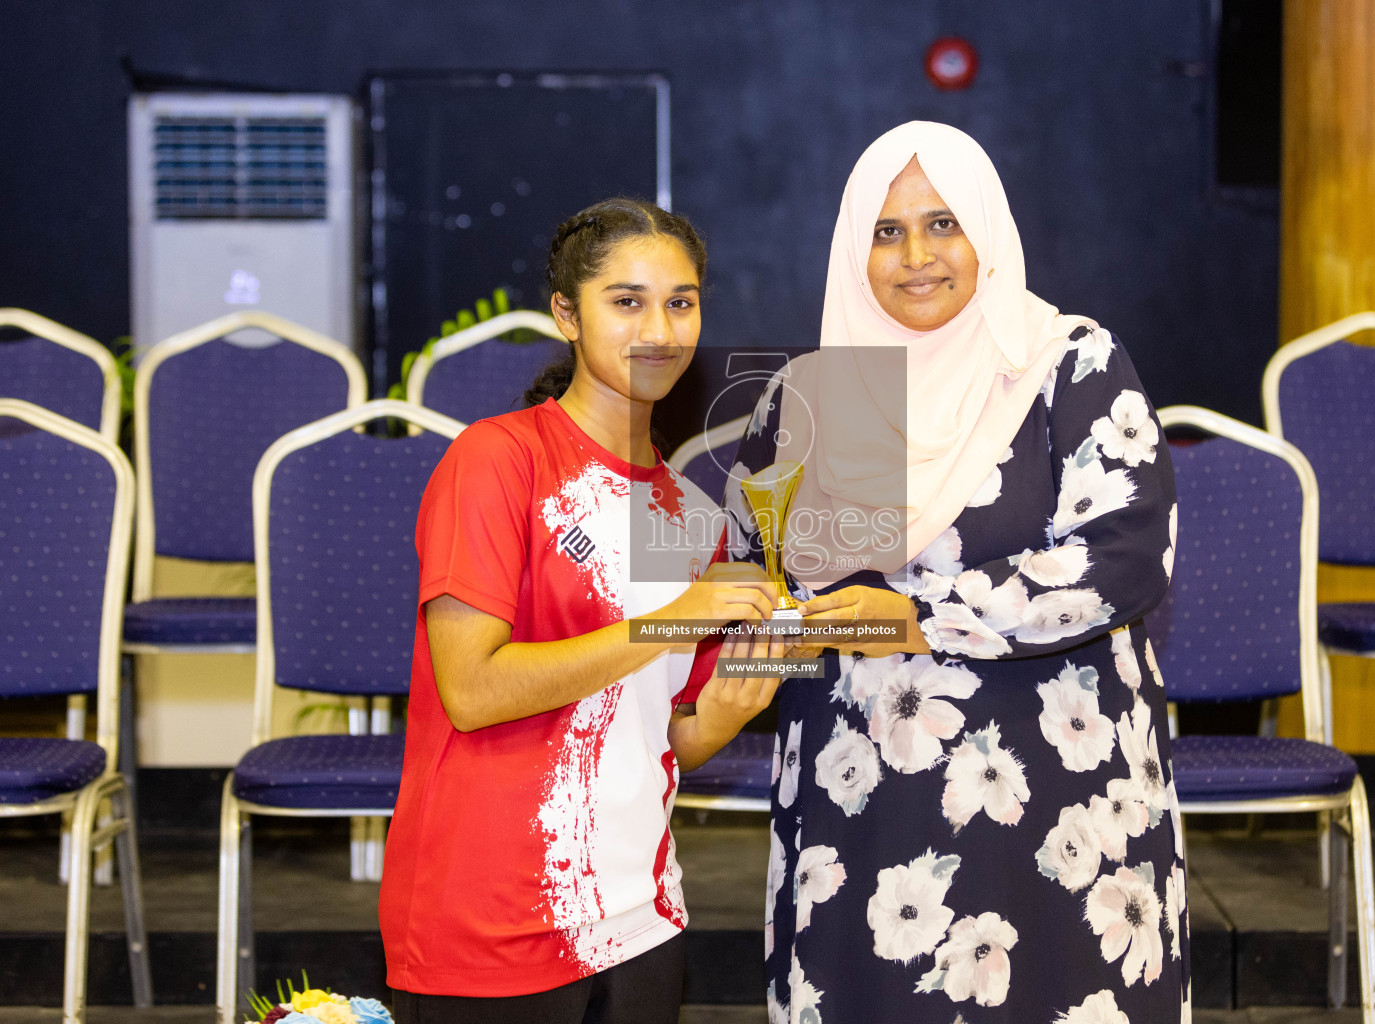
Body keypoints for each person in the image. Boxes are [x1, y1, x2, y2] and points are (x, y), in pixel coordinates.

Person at [725, 123, 1187, 1023]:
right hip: (857, 796)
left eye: (944, 224)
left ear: (988, 230)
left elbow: (1123, 558)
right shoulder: (805, 397)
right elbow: (752, 580)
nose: (917, 257)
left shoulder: (1072, 365)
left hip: (1056, 788)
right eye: (887, 232)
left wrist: (916, 614)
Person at [379, 197, 787, 1024]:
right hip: (491, 921)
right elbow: (474, 689)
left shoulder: (688, 513)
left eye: (681, 302)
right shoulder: (498, 460)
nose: (661, 330)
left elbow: (664, 735)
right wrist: (670, 622)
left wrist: (730, 708)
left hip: (642, 917)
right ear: (566, 314)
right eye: (626, 301)